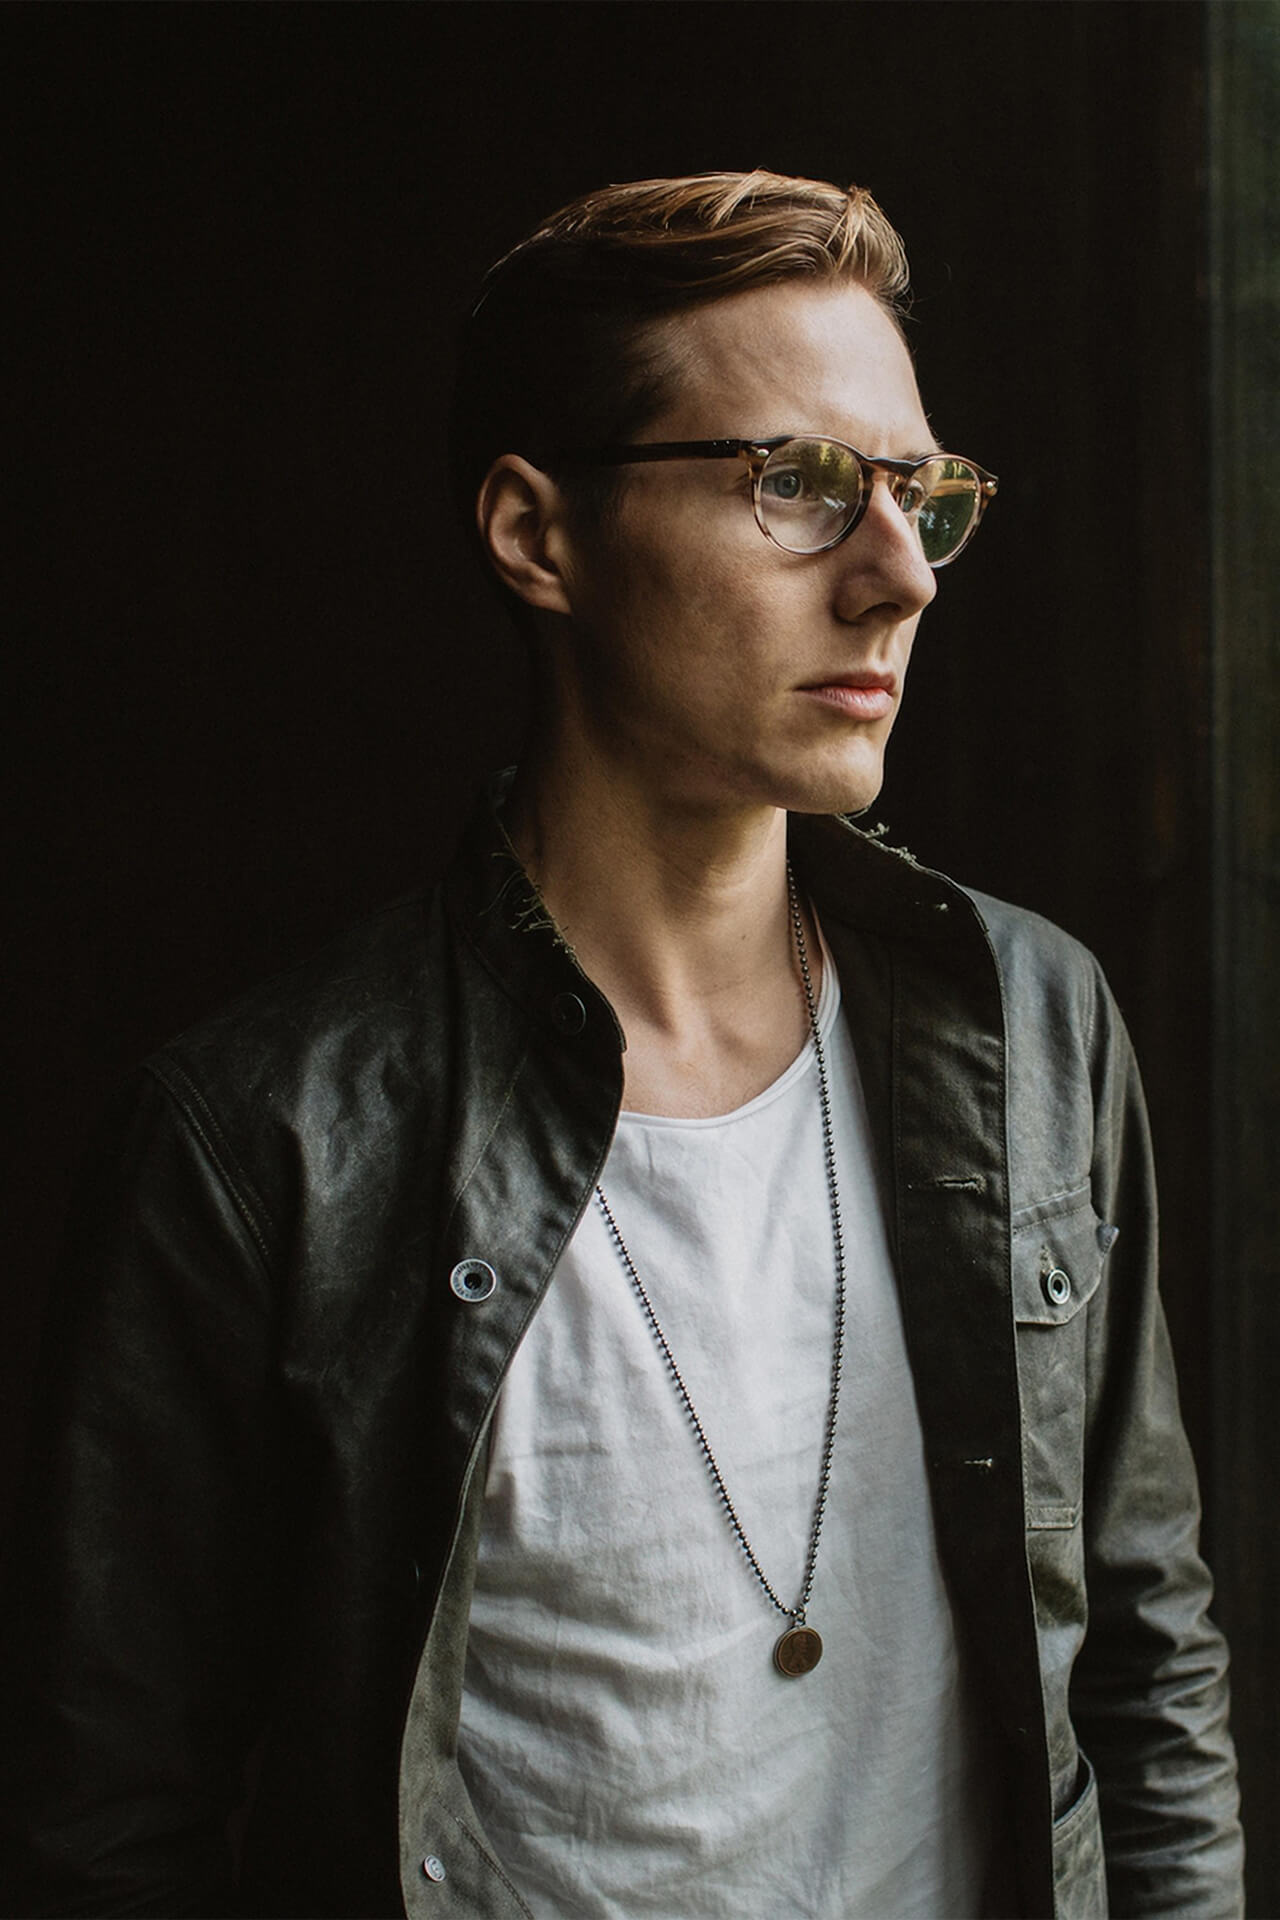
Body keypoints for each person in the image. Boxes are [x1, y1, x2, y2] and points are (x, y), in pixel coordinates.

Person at [1, 171, 1242, 1919]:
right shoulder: (261, 1139)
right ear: (538, 535)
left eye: (922, 496)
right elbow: (109, 1826)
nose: (898, 577)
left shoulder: (1036, 1022)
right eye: (799, 484)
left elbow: (1145, 1665)